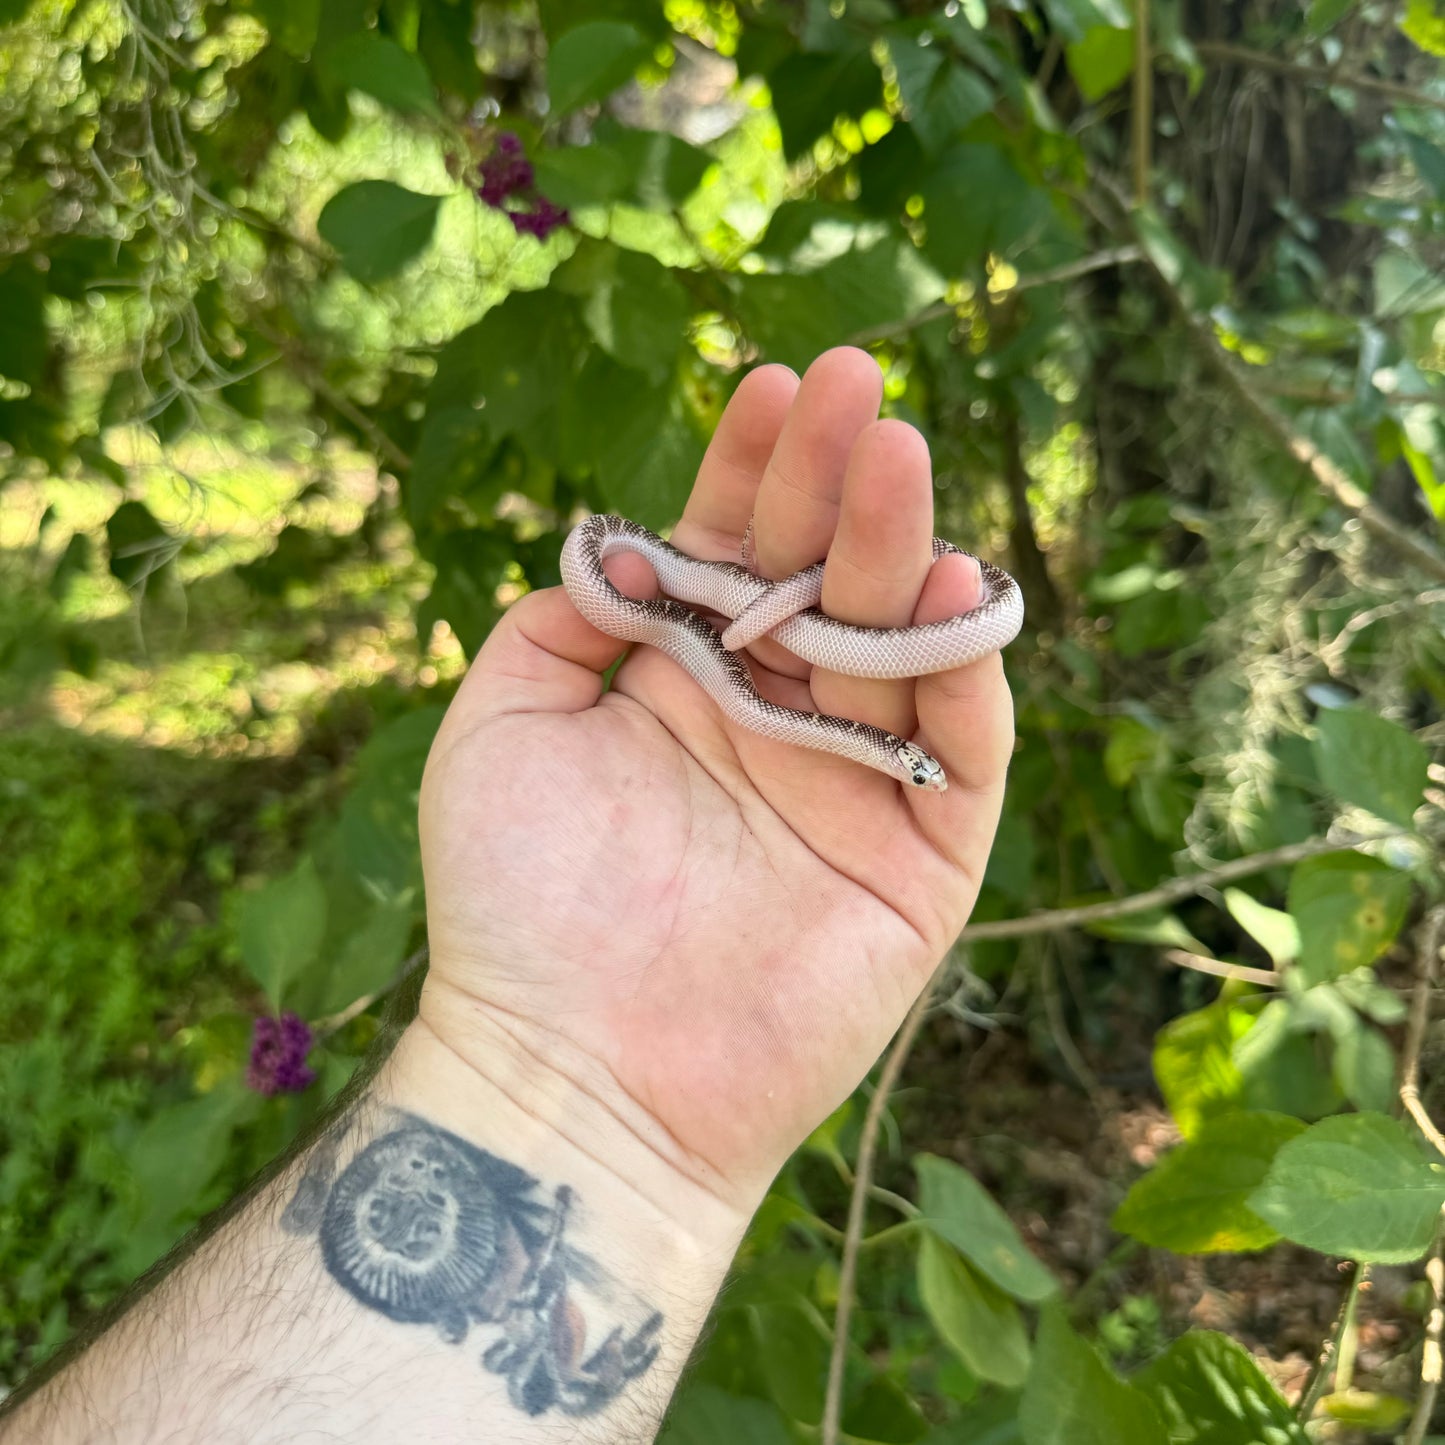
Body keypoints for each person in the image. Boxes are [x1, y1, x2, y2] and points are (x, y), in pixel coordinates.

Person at [0, 347, 1015, 1442]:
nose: (912, 766)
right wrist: (534, 1067)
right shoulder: (702, 632)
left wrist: (601, 1121)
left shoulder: (803, 699)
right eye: (905, 762)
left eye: (906, 765)